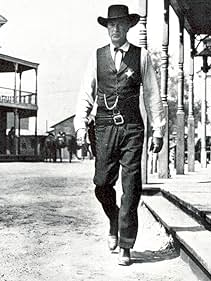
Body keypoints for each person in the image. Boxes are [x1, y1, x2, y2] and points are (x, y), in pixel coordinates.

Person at [74, 4, 166, 266]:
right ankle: (114, 218)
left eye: (120, 24)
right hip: (103, 127)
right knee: (102, 183)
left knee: (131, 185)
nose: (115, 29)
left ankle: (126, 244)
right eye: (111, 25)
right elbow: (86, 93)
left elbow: (151, 94)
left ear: (128, 27)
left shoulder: (142, 56)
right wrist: (81, 125)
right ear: (107, 28)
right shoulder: (97, 57)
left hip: (132, 128)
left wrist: (158, 129)